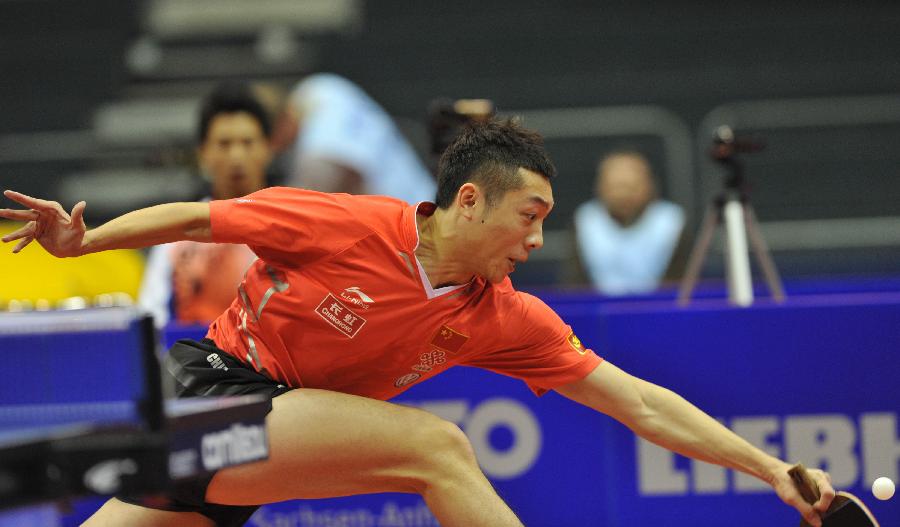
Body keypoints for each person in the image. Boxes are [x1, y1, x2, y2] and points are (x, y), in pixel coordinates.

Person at [0, 119, 834, 527]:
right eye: (529, 216)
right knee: (439, 448)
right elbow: (198, 216)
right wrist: (85, 240)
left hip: (254, 438)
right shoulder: (347, 223)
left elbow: (639, 403)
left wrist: (768, 469)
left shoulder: (502, 315)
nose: (539, 239)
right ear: (468, 201)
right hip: (210, 395)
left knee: (435, 452)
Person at [138, 82, 273, 327]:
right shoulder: (179, 234)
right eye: (224, 144)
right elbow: (152, 320)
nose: (236, 156)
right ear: (203, 153)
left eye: (247, 142)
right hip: (196, 361)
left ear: (268, 148)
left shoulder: (295, 225)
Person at [270, 73, 436, 204]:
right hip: (421, 201)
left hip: (411, 228)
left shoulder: (317, 148)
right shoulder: (322, 88)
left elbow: (305, 204)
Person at [571, 150, 687, 295]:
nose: (622, 195)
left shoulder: (671, 222)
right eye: (616, 187)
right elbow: (574, 287)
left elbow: (681, 285)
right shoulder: (585, 221)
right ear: (599, 188)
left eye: (631, 187)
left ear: (650, 187)